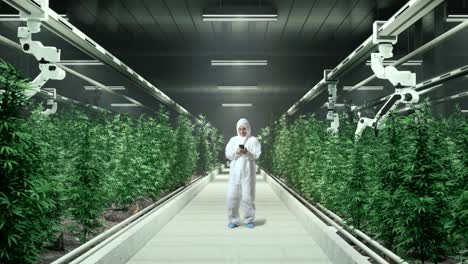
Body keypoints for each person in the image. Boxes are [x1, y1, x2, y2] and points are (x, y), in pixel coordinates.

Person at [225, 118, 261, 229]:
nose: (242, 131)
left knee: (248, 197)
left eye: (244, 128)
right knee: (232, 197)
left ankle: (249, 220)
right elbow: (228, 155)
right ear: (237, 129)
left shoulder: (253, 140)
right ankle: (233, 220)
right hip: (235, 174)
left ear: (248, 128)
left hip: (248, 174)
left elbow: (256, 155)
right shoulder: (233, 140)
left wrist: (247, 152)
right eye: (240, 129)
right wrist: (236, 152)